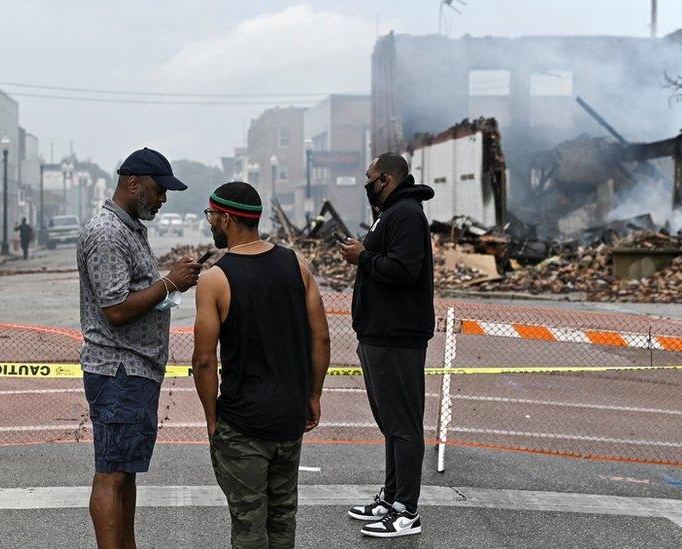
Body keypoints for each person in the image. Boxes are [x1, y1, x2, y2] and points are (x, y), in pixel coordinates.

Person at [192, 182, 330, 548]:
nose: (210, 223)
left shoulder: (215, 279)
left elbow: (205, 360)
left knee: (249, 524)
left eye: (211, 216)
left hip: (243, 423)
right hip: (289, 417)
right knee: (283, 516)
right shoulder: (296, 266)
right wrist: (313, 395)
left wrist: (211, 418)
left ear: (226, 219)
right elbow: (321, 338)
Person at [77, 148, 203, 549]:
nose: (163, 198)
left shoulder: (129, 229)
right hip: (119, 371)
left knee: (124, 471)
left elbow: (134, 293)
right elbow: (115, 309)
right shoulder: (108, 233)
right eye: (158, 189)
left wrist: (168, 284)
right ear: (133, 183)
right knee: (112, 473)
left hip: (133, 371)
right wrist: (170, 283)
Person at [338, 153, 435, 539]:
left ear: (386, 178)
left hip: (398, 337)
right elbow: (386, 262)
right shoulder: (390, 213)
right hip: (379, 335)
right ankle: (391, 498)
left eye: (369, 177)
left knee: (404, 425)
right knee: (391, 425)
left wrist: (363, 257)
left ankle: (406, 511)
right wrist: (364, 256)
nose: (366, 184)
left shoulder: (406, 215)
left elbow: (403, 269)